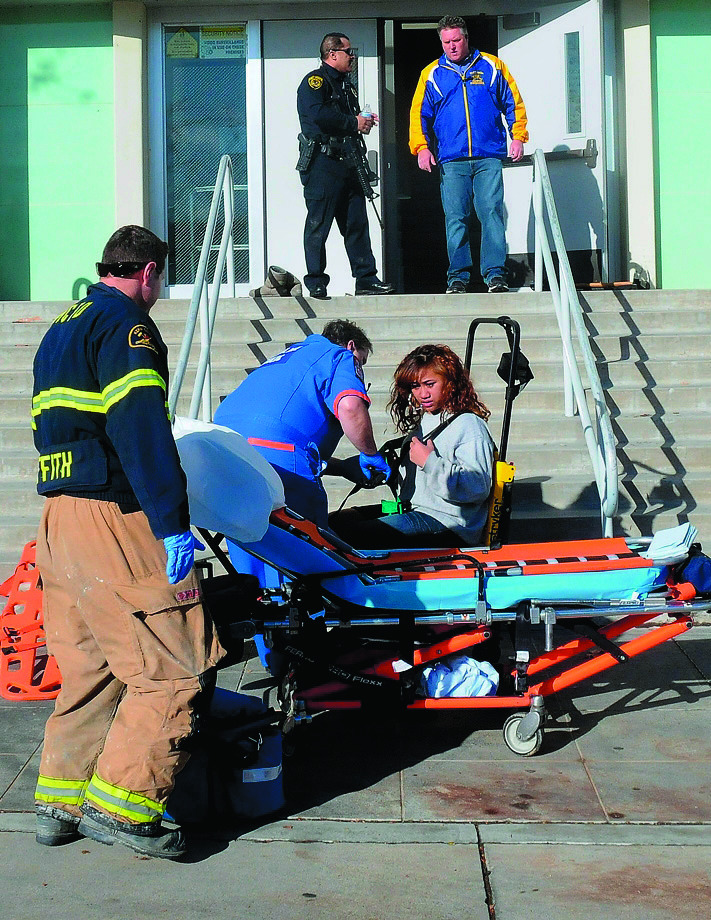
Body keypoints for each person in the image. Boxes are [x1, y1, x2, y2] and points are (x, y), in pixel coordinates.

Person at [31, 226, 223, 860]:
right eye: (160, 279)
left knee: (92, 667)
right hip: (115, 515)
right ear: (147, 272)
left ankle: (60, 802)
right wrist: (170, 522)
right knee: (176, 665)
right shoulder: (128, 327)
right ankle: (124, 805)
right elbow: (140, 426)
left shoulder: (65, 324)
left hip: (60, 519)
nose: (160, 291)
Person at [213, 319, 390, 529]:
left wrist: (341, 467)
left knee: (252, 545)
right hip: (279, 458)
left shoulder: (286, 358)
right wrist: (370, 454)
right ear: (351, 346)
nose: (359, 367)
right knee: (308, 548)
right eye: (362, 360)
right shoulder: (339, 355)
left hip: (225, 453)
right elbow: (350, 407)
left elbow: (276, 430)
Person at [330, 344, 494, 549]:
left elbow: (477, 487)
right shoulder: (428, 419)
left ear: (450, 382)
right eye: (416, 386)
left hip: (449, 523)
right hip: (414, 508)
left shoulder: (469, 425)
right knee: (332, 524)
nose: (422, 393)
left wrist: (429, 462)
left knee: (348, 535)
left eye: (429, 384)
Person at [409, 15, 528, 294]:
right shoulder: (431, 73)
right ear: (441, 42)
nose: (452, 46)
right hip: (452, 159)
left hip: (488, 156)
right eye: (446, 42)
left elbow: (514, 103)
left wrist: (518, 137)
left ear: (466, 38)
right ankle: (458, 277)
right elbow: (419, 115)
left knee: (491, 213)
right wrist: (422, 147)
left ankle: (495, 275)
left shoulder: (491, 66)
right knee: (456, 218)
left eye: (456, 40)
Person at [297, 32, 394, 299]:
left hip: (348, 164)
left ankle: (366, 279)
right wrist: (353, 122)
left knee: (356, 225)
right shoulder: (315, 82)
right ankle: (316, 281)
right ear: (332, 54)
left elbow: (344, 117)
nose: (352, 56)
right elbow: (318, 115)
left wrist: (362, 120)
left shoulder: (346, 85)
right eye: (348, 52)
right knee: (319, 225)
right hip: (323, 165)